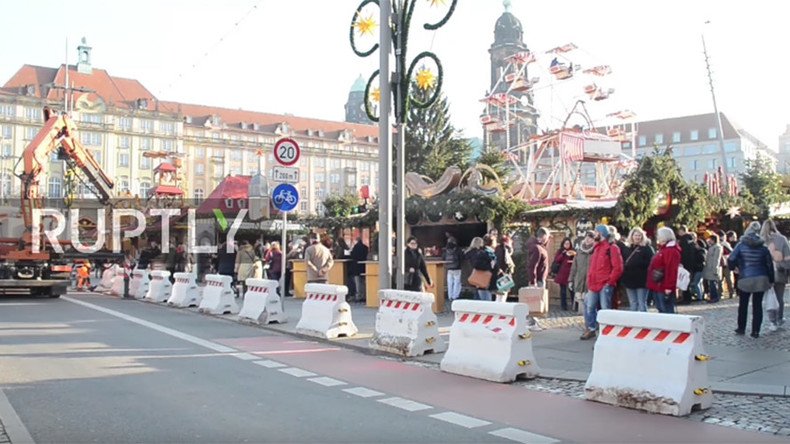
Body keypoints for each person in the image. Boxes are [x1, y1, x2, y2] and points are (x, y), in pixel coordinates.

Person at [728, 221, 774, 338]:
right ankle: (755, 331)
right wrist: (771, 279)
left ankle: (741, 328)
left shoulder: (741, 245)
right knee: (757, 305)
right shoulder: (763, 247)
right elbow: (769, 264)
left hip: (745, 277)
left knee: (743, 304)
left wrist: (734, 268)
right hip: (761, 277)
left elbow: (731, 259)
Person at [580, 225, 623, 340]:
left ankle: (605, 333)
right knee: (590, 307)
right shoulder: (597, 248)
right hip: (594, 284)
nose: (594, 234)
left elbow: (618, 267)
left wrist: (609, 282)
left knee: (605, 310)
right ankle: (592, 329)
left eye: (596, 232)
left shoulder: (612, 248)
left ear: (601, 233)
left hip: (604, 284)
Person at [761, 219, 789, 331]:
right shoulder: (782, 239)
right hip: (779, 271)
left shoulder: (761, 240)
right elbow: (788, 257)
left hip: (764, 272)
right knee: (779, 297)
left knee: (769, 296)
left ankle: (772, 320)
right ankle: (779, 318)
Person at [647, 227, 682, 314]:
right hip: (658, 284)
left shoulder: (671, 251)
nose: (657, 237)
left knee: (666, 310)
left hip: (663, 285)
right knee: (661, 309)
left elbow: (671, 270)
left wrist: (669, 287)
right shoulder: (664, 249)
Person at [621, 228, 654, 312]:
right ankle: (633, 323)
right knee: (633, 303)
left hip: (642, 280)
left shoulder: (647, 249)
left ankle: (644, 323)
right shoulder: (626, 248)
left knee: (642, 303)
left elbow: (651, 263)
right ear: (631, 236)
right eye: (635, 235)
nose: (637, 237)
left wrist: (638, 263)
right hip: (629, 279)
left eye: (639, 235)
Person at [569, 231, 595, 312]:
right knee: (580, 301)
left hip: (590, 282)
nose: (588, 239)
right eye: (587, 237)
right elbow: (574, 267)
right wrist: (570, 280)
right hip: (579, 280)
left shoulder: (595, 251)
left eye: (590, 238)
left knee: (590, 304)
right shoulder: (579, 251)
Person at [678, 226, 705, 303]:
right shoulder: (691, 240)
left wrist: (682, 262)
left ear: (682, 231)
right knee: (688, 281)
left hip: (685, 264)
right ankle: (687, 297)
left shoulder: (684, 240)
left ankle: (686, 298)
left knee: (685, 281)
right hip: (691, 265)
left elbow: (684, 254)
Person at [551, 238, 576, 311]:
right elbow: (557, 260)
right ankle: (563, 305)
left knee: (572, 290)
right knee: (563, 291)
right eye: (565, 243)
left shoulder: (573, 251)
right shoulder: (560, 251)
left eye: (568, 243)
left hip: (571, 273)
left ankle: (574, 305)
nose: (567, 245)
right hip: (562, 273)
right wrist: (563, 254)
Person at [471, 235, 498, 301]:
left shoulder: (490, 252)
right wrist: (490, 266)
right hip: (484, 281)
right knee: (486, 302)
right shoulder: (484, 252)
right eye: (495, 241)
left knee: (487, 301)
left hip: (488, 282)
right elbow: (477, 265)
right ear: (492, 243)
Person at [494, 234, 516, 302]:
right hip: (504, 275)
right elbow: (505, 263)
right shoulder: (504, 250)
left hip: (500, 275)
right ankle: (500, 310)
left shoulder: (498, 249)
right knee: (502, 296)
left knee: (499, 295)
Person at [703, 234, 723, 303]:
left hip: (713, 268)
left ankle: (715, 297)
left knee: (713, 284)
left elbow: (716, 259)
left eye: (710, 240)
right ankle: (712, 297)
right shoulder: (712, 247)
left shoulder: (717, 247)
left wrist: (715, 269)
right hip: (709, 268)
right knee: (711, 283)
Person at [348, 238, 369, 303]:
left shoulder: (356, 247)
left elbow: (352, 255)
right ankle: (363, 295)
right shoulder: (365, 247)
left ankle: (358, 296)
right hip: (363, 267)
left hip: (356, 267)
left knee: (357, 282)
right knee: (362, 282)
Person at [443, 236, 463, 302]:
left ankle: (450, 296)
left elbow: (443, 257)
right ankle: (455, 296)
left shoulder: (446, 249)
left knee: (449, 283)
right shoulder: (458, 249)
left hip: (449, 268)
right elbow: (461, 257)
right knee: (457, 282)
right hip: (457, 268)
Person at [719, 231, 735, 298]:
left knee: (728, 279)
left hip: (725, 263)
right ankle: (721, 292)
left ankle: (730, 292)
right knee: (720, 279)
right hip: (721, 263)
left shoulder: (726, 244)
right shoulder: (720, 244)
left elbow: (731, 251)